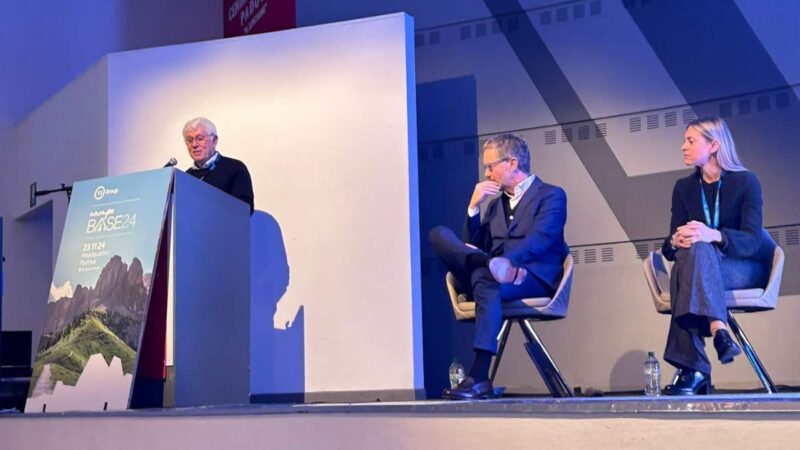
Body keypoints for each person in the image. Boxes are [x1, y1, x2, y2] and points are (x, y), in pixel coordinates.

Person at [429, 134, 569, 400]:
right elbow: (470, 246)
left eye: (490, 166)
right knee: (439, 234)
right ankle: (479, 379)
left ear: (512, 162)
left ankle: (480, 375)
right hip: (491, 275)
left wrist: (508, 263)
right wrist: (473, 208)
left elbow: (542, 239)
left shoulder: (551, 195)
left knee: (486, 277)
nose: (486, 173)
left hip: (530, 276)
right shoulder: (494, 206)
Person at [661, 116, 775, 395]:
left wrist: (715, 235)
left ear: (713, 145)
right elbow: (670, 248)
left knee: (689, 264)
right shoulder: (683, 188)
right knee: (691, 251)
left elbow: (751, 241)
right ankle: (718, 330)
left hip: (743, 268)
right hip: (700, 268)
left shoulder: (746, 182)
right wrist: (675, 240)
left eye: (690, 141)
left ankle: (693, 368)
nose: (682, 147)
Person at [183, 117, 255, 214]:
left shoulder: (235, 168)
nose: (194, 145)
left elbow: (245, 209)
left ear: (215, 140)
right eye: (189, 140)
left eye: (200, 139)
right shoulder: (185, 177)